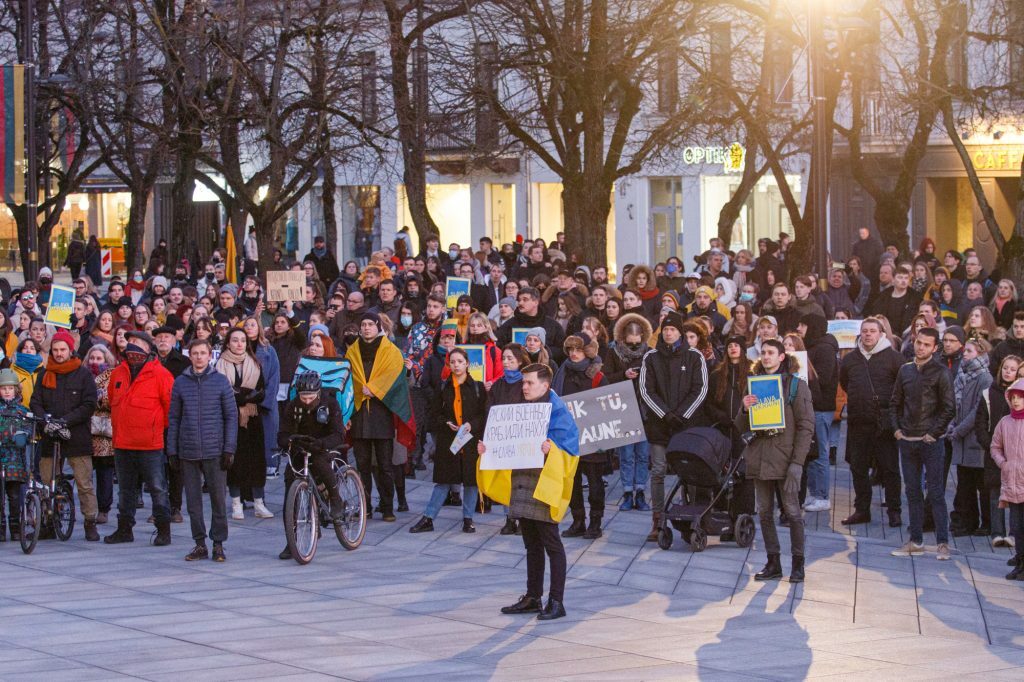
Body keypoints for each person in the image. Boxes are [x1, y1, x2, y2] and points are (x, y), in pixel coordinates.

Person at [478, 363, 580, 621]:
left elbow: (570, 447)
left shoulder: (558, 411)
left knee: (551, 543)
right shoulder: (523, 406)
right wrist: (487, 449)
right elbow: (508, 438)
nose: (524, 387)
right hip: (523, 479)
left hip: (544, 480)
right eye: (523, 382)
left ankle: (557, 601)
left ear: (545, 385)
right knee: (531, 543)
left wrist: (552, 450)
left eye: (529, 383)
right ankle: (533, 596)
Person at [739, 339, 814, 583]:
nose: (766, 357)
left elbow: (806, 427)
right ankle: (773, 562)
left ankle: (798, 563)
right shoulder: (754, 385)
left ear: (782, 357)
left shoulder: (795, 386)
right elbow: (740, 427)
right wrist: (744, 408)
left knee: (792, 512)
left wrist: (797, 463)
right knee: (764, 513)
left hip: (785, 458)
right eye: (763, 353)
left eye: (771, 353)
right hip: (760, 457)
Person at [638, 310, 709, 542]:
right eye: (666, 329)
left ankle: (696, 516)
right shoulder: (651, 357)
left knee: (690, 471)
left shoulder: (695, 357)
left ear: (680, 332)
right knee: (658, 471)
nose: (668, 333)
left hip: (687, 425)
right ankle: (657, 520)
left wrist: (682, 414)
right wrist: (665, 414)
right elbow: (646, 391)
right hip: (660, 425)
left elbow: (699, 389)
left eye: (673, 330)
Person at [167, 338, 238, 562]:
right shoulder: (180, 383)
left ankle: (218, 544)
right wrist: (172, 450)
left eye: (202, 353)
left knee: (218, 500)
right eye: (195, 353)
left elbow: (231, 416)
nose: (198, 357)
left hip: (214, 449)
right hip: (187, 449)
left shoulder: (220, 381)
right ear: (190, 355)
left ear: (210, 355)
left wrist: (229, 448)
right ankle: (199, 543)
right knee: (193, 503)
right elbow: (174, 418)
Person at [890, 327, 956, 560]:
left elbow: (949, 408)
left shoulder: (941, 372)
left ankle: (942, 543)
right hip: (907, 440)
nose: (921, 347)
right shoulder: (905, 370)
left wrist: (933, 433)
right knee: (912, 491)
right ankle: (916, 540)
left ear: (935, 348)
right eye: (919, 342)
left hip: (930, 441)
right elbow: (895, 402)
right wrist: (897, 429)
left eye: (927, 344)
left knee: (936, 492)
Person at [104, 331, 175, 546]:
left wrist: (153, 427)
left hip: (150, 444)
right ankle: (125, 529)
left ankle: (163, 530)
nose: (131, 347)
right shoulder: (117, 373)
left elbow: (169, 408)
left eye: (136, 343)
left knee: (157, 487)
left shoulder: (161, 374)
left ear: (147, 348)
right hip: (122, 442)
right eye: (129, 343)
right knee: (125, 489)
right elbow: (110, 401)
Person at [29, 329, 99, 542]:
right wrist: (46, 421)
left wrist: (66, 421)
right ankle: (48, 523)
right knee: (47, 482)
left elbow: (89, 404)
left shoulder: (83, 374)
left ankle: (90, 522)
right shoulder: (44, 373)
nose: (59, 354)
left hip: (76, 435)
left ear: (71, 350)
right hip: (50, 435)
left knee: (84, 482)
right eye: (56, 350)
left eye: (63, 350)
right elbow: (35, 402)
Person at [345, 312, 416, 521]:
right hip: (359, 416)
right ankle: (365, 505)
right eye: (363, 324)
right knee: (362, 466)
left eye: (370, 324)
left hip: (381, 415)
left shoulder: (391, 351)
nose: (366, 328)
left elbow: (396, 377)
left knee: (385, 465)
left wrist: (375, 389)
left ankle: (387, 507)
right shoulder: (352, 351)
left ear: (378, 327)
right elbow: (347, 381)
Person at [409, 347, 488, 534]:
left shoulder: (477, 387)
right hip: (448, 440)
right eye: (453, 362)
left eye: (460, 361)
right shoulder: (443, 387)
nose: (456, 365)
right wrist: (447, 423)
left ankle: (468, 519)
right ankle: (429, 518)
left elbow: (483, 415)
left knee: (470, 482)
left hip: (470, 440)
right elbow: (434, 414)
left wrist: (470, 425)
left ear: (467, 364)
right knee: (443, 481)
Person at [276, 370, 350, 560]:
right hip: (300, 449)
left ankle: (335, 499)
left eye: (310, 397)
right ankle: (290, 541)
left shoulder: (330, 404)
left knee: (320, 463)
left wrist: (322, 444)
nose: (307, 401)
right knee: (289, 487)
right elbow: (282, 432)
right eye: (303, 397)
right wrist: (288, 441)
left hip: (322, 446)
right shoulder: (293, 406)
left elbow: (338, 433)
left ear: (318, 393)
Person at [838, 318, 904, 527]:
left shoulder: (895, 359)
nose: (867, 334)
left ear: (881, 333)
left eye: (872, 331)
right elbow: (845, 382)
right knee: (858, 467)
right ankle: (862, 510)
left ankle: (894, 511)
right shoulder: (850, 359)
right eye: (864, 331)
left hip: (884, 424)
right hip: (858, 422)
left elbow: (901, 389)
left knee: (890, 468)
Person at [555, 333, 608, 539]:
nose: (574, 354)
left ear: (587, 351)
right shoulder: (562, 373)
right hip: (569, 438)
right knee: (572, 481)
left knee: (595, 482)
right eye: (571, 350)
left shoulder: (597, 376)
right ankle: (578, 520)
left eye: (578, 350)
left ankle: (595, 522)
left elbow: (606, 407)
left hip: (592, 437)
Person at [217, 328, 270, 520]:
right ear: (228, 343)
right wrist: (244, 395)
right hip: (230, 419)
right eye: (235, 340)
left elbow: (261, 391)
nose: (239, 344)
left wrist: (241, 394)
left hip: (253, 418)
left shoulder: (254, 363)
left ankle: (258, 503)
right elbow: (223, 392)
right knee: (234, 461)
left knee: (256, 461)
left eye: (242, 340)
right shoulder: (220, 364)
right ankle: (236, 503)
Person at [604, 313, 653, 512]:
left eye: (636, 342)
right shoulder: (614, 353)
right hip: (622, 408)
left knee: (642, 454)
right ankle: (626, 491)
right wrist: (624, 375)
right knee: (626, 454)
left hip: (643, 409)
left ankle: (640, 491)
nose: (633, 346)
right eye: (630, 343)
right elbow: (606, 378)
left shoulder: (649, 353)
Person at [948, 338, 993, 537]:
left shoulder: (985, 377)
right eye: (965, 351)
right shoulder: (962, 374)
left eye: (969, 351)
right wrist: (952, 424)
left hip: (975, 440)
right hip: (962, 439)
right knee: (965, 485)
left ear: (980, 354)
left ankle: (987, 523)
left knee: (981, 486)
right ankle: (969, 522)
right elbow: (955, 404)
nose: (964, 354)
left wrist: (959, 430)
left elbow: (978, 411)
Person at [976, 354, 1020, 550]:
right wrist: (989, 445)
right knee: (995, 492)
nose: (1008, 371)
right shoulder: (989, 393)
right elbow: (980, 423)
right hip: (994, 452)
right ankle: (997, 532)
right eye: (1005, 368)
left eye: (1012, 369)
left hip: (1018, 455)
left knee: (1017, 495)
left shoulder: (1020, 394)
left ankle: (1014, 533)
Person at [797, 314, 838, 513]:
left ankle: (822, 495)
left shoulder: (824, 349)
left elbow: (823, 379)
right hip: (813, 406)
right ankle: (814, 494)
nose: (799, 328)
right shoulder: (814, 346)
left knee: (820, 452)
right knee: (812, 452)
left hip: (821, 407)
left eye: (804, 324)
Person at [989, 378, 1024, 579]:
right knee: (1017, 527)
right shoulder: (1005, 422)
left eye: (1020, 397)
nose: (1017, 401)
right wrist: (1004, 463)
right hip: (1012, 481)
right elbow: (995, 446)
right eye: (1014, 397)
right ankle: (1019, 562)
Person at [85, 345, 116, 526]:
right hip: (85, 430)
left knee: (105, 472)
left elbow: (113, 399)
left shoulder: (112, 376)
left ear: (106, 360)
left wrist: (97, 398)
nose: (95, 361)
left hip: (104, 433)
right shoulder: (83, 375)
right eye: (92, 358)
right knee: (86, 472)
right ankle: (89, 507)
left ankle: (104, 509)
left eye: (98, 358)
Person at [0, 368, 29, 541]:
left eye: (10, 388)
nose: (7, 391)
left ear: (16, 389)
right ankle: (1, 528)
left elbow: (29, 428)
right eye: (3, 388)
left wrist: (24, 436)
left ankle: (16, 527)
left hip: (15, 458)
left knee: (14, 495)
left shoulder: (22, 410)